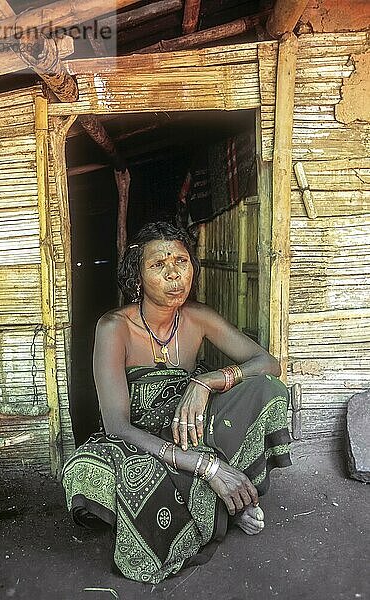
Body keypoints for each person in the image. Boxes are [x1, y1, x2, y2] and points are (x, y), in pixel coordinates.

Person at [62, 221, 291, 584]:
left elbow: (268, 364)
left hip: (191, 429)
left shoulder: (198, 317)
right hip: (136, 442)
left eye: (181, 262)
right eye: (159, 265)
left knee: (266, 390)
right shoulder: (113, 327)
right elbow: (117, 426)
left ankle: (231, 498)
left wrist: (207, 380)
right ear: (137, 276)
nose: (174, 275)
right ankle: (229, 503)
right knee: (126, 475)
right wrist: (208, 467)